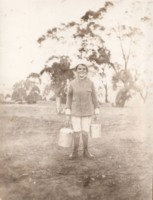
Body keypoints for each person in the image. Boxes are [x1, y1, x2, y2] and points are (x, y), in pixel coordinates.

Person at [65, 63, 100, 160]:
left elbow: (94, 97)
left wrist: (96, 109)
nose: (82, 70)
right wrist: (68, 110)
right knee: (76, 132)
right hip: (75, 111)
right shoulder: (72, 83)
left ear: (87, 71)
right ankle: (75, 152)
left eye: (84, 69)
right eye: (79, 69)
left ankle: (86, 151)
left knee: (85, 132)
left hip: (87, 112)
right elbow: (69, 97)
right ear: (76, 71)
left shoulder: (90, 83)